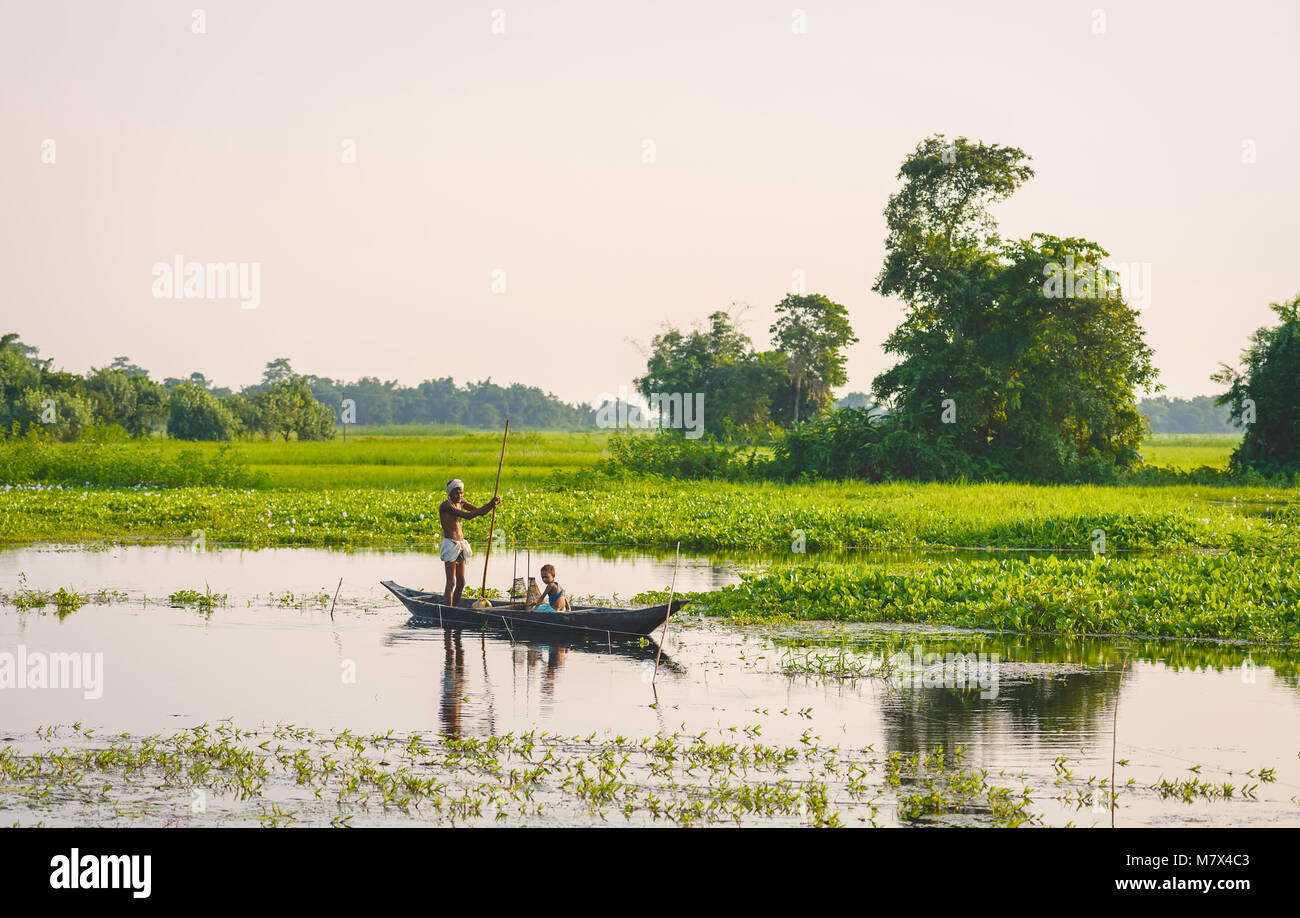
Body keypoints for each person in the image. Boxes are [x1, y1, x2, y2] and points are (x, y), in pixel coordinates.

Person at [438, 478, 501, 607]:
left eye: (461, 493)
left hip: (461, 545)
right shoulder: (446, 506)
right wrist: (489, 504)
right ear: (449, 493)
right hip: (450, 545)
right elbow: (468, 515)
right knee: (451, 582)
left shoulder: (461, 501)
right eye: (456, 493)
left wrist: (492, 504)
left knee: (461, 583)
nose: (459, 496)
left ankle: (454, 609)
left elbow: (479, 512)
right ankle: (447, 610)